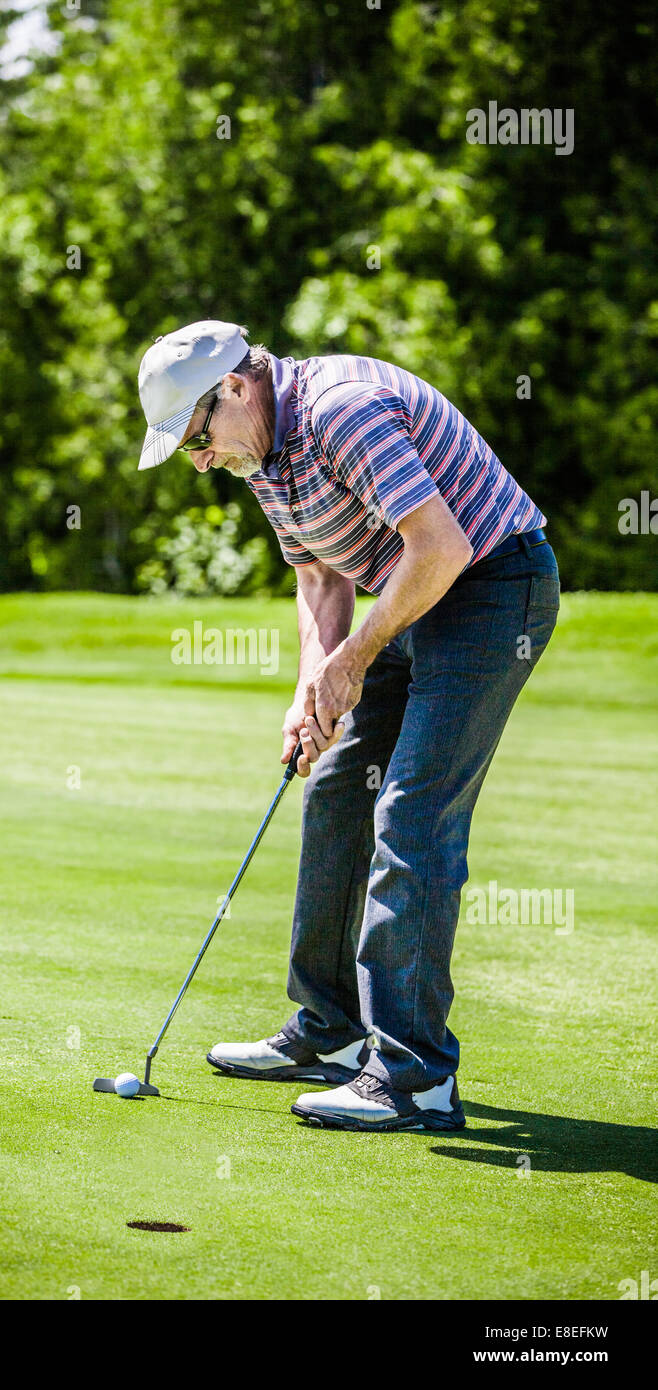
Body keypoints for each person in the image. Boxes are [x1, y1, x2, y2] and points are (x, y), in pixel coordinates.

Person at [136, 321, 560, 1132]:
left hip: (492, 586)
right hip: (416, 597)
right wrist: (313, 683)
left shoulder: (341, 412)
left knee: (412, 812)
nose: (200, 460)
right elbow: (319, 572)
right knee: (335, 789)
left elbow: (439, 547)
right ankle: (330, 1032)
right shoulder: (260, 451)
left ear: (234, 387)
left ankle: (415, 1079)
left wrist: (355, 659)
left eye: (197, 437)